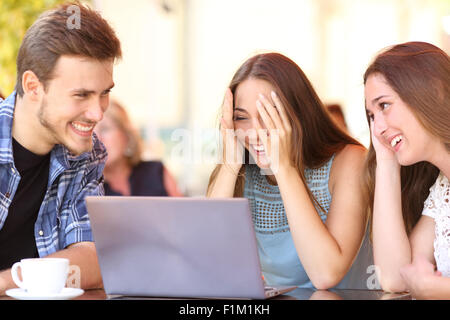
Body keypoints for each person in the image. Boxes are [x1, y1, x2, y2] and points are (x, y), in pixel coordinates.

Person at [207, 52, 372, 289]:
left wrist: (284, 168)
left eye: (268, 116)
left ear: (299, 113)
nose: (254, 132)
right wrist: (230, 164)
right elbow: (206, 259)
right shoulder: (241, 168)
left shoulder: (349, 161)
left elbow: (326, 274)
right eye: (241, 118)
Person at [0, 3, 122, 295]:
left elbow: (93, 262)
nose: (97, 113)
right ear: (33, 86)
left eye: (104, 93)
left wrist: (5, 282)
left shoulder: (86, 155)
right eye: (81, 95)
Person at [364, 41, 450, 299]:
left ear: (433, 91)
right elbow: (394, 276)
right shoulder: (443, 191)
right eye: (371, 116)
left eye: (384, 105)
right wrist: (386, 162)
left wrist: (438, 290)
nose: (377, 128)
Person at [95, 100, 182, 197]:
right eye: (91, 133)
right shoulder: (85, 188)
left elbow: (184, 211)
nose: (97, 139)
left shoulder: (156, 172)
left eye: (105, 129)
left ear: (126, 135)